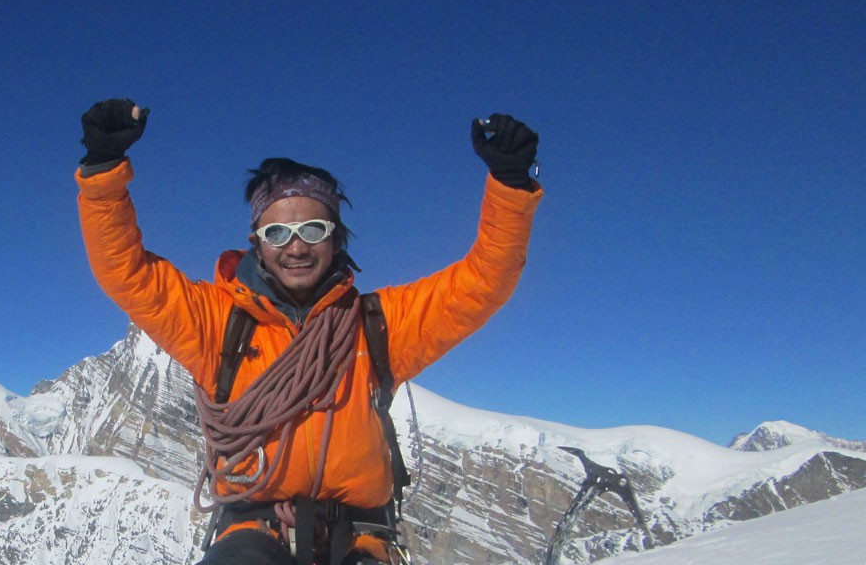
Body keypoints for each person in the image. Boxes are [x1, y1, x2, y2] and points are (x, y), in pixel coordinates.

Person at [74, 98, 543, 564]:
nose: (296, 247)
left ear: (337, 238)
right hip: (252, 527)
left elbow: (483, 283)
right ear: (256, 244)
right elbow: (127, 272)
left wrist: (509, 187)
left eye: (314, 230)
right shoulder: (217, 324)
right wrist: (103, 172)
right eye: (277, 234)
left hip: (359, 536)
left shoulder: (376, 326)